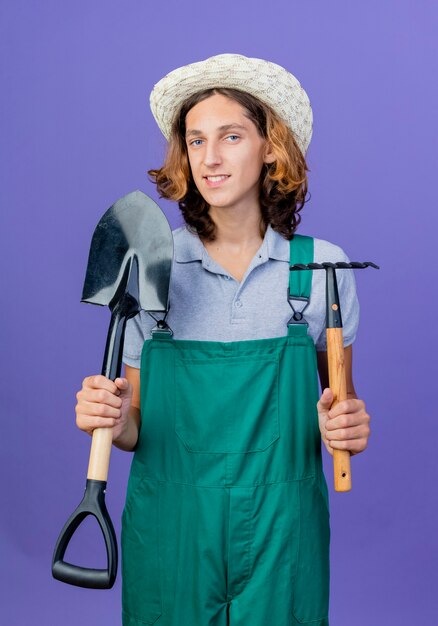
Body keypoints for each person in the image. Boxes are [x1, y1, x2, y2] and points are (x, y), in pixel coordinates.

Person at [75, 53, 371, 626]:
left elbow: (341, 411)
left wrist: (350, 428)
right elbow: (136, 428)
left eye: (231, 136)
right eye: (194, 140)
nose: (209, 158)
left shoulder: (319, 271)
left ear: (270, 148)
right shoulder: (154, 264)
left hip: (281, 531)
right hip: (172, 530)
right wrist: (112, 419)